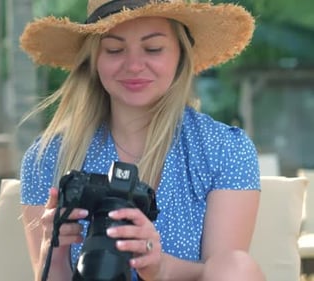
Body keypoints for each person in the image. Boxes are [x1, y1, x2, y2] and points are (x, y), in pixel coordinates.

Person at [18, 0, 264, 280]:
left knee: (238, 266)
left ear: (181, 55)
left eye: (153, 49)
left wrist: (160, 267)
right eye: (114, 50)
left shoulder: (223, 149)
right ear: (95, 59)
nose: (134, 65)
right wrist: (56, 250)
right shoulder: (49, 155)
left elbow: (226, 272)